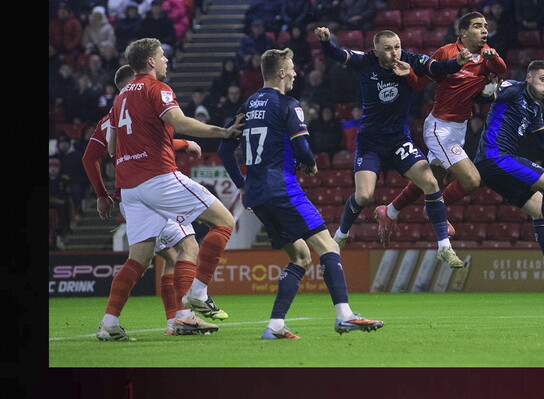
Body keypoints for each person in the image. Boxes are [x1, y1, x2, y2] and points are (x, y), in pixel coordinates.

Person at [217, 48, 383, 338]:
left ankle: (275, 325)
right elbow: (303, 149)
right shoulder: (288, 104)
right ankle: (344, 315)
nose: (294, 73)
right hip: (282, 189)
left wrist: (242, 185)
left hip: (256, 195)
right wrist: (309, 163)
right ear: (281, 72)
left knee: (301, 257)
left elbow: (224, 149)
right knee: (328, 247)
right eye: (291, 68)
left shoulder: (247, 105)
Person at [95, 38, 244, 341]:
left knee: (138, 259)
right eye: (162, 56)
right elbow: (179, 121)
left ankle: (109, 323)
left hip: (130, 188)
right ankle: (196, 298)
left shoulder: (121, 97)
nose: (165, 61)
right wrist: (222, 131)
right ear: (150, 61)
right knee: (224, 221)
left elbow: (111, 146)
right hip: (158, 177)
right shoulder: (156, 88)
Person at [313, 25, 470, 268]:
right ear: (376, 51)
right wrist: (325, 43)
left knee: (430, 182)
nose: (395, 53)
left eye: (397, 47)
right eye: (388, 49)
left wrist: (458, 62)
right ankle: (340, 237)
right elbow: (338, 54)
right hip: (371, 142)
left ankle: (444, 248)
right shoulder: (365, 62)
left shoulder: (409, 60)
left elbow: (437, 69)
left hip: (399, 140)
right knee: (364, 196)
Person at [84, 64, 218, 336]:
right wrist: (184, 143)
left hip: (128, 194)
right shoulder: (144, 99)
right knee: (189, 245)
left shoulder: (110, 116)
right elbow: (159, 142)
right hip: (155, 186)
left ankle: (112, 323)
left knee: (152, 259)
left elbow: (92, 156)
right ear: (133, 82)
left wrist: (102, 195)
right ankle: (183, 315)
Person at [375, 12, 507, 243]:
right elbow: (419, 84)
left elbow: (502, 70)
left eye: (485, 26)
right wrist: (410, 74)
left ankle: (390, 211)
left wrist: (493, 58)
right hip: (439, 128)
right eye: (477, 26)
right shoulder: (446, 52)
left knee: (428, 180)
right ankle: (438, 209)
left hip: (459, 129)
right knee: (472, 181)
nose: (484, 30)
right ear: (463, 32)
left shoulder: (486, 58)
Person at [473, 59, 544, 296]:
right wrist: (488, 88)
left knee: (538, 208)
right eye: (542, 79)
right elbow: (487, 95)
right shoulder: (513, 89)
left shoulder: (534, 109)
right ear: (529, 78)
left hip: (493, 165)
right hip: (494, 156)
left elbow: (543, 144)